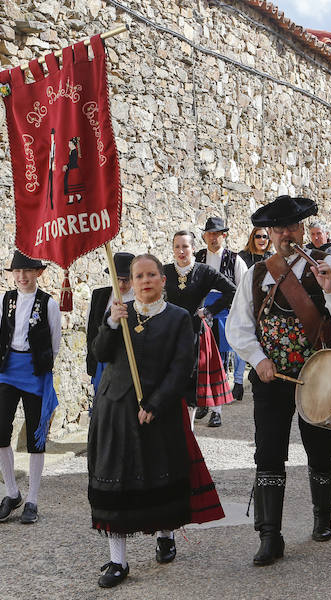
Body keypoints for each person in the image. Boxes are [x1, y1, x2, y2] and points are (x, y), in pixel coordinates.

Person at [226, 195, 331, 566]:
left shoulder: (328, 263)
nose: (286, 234)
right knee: (268, 453)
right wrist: (258, 361)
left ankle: (323, 515)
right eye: (278, 229)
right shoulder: (256, 274)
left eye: (293, 227)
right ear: (268, 233)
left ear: (303, 229)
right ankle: (269, 535)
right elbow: (238, 327)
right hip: (271, 380)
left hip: (321, 377)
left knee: (321, 451)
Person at [88, 254, 223, 588]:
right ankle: (117, 560)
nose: (144, 281)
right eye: (138, 276)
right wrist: (111, 325)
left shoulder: (178, 318)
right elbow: (100, 354)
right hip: (115, 410)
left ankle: (165, 534)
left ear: (162, 280)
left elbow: (181, 366)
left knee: (159, 474)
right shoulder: (117, 313)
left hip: (157, 413)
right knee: (113, 481)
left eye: (151, 275)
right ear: (131, 283)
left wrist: (157, 403)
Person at [0, 250, 61, 525]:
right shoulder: (4, 300)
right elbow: (3, 333)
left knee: (35, 436)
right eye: (16, 272)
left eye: (27, 271)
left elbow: (54, 343)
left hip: (34, 372)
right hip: (8, 371)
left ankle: (32, 498)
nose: (21, 277)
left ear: (38, 273)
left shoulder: (49, 304)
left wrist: (41, 366)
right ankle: (12, 493)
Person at [167, 230, 236, 428]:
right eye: (177, 246)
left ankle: (188, 432)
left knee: (190, 381)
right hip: (169, 334)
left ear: (193, 249)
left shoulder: (204, 272)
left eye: (185, 246)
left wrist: (209, 310)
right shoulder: (164, 271)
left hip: (194, 333)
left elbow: (231, 290)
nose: (181, 251)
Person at [196, 216, 249, 409]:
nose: (213, 238)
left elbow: (241, 289)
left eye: (217, 234)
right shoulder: (198, 258)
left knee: (221, 356)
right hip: (200, 311)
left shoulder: (235, 260)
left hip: (224, 311)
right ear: (205, 236)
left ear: (223, 235)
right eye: (210, 233)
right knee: (202, 356)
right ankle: (203, 398)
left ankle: (217, 401)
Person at [86, 252, 135, 394]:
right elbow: (92, 332)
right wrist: (92, 364)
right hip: (102, 361)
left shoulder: (140, 299)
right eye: (117, 279)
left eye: (126, 280)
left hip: (127, 364)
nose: (121, 284)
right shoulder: (99, 295)